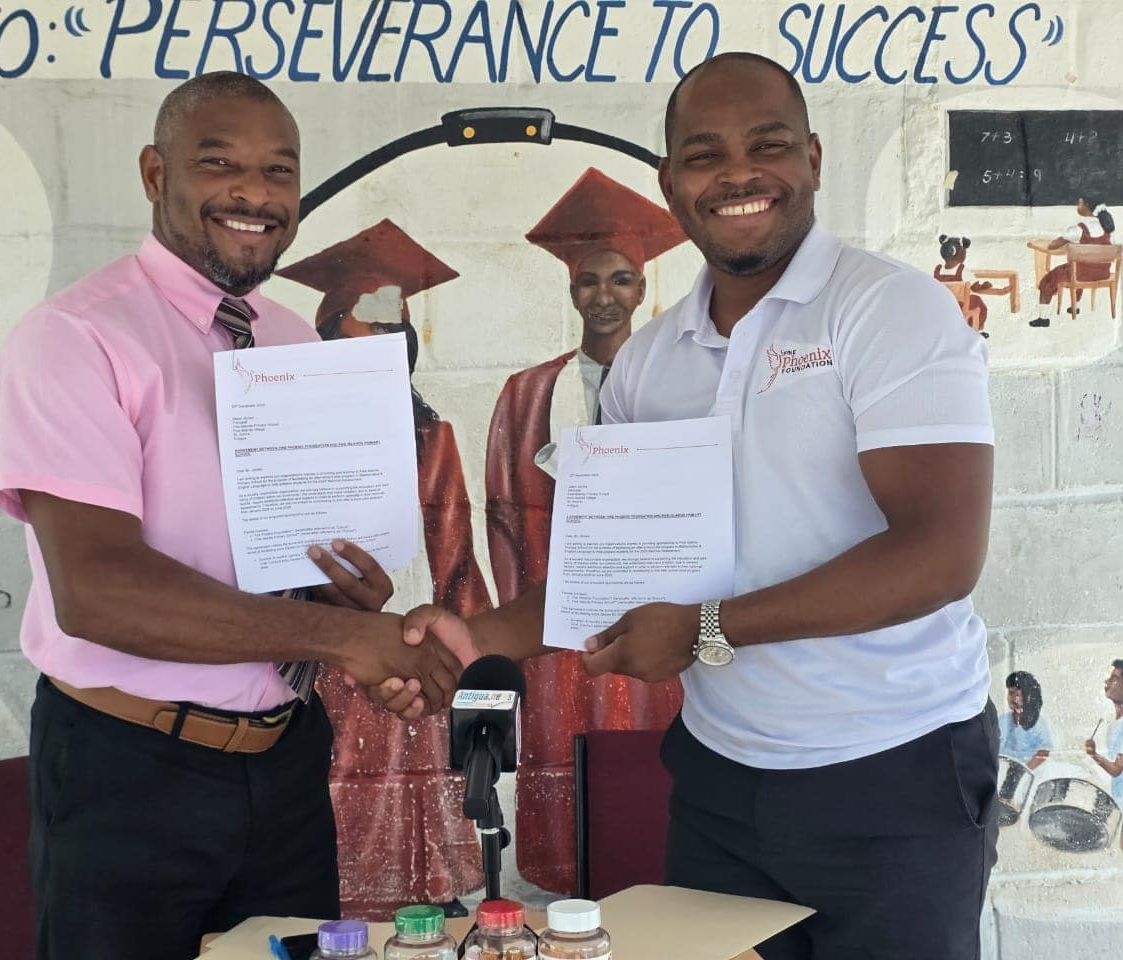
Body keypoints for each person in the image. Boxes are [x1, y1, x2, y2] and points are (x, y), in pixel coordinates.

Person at [379, 52, 999, 960]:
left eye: (767, 145)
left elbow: (940, 555)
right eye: (705, 154)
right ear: (671, 183)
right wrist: (474, 638)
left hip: (892, 772)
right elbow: (614, 574)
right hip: (721, 782)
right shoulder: (649, 363)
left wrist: (708, 627)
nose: (738, 174)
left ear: (813, 159)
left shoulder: (888, 311)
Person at [0, 72, 466, 960]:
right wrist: (346, 641)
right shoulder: (75, 338)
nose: (255, 194)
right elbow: (97, 592)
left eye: (279, 171)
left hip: (285, 763)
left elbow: (294, 574)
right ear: (155, 173)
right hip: (128, 769)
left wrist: (351, 610)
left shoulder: (290, 339)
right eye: (220, 164)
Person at [483, 166, 688, 892]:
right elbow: (504, 514)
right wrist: (536, 619)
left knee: (651, 784)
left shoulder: (679, 384)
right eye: (589, 281)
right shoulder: (528, 392)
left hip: (655, 619)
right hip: (558, 630)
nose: (605, 295)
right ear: (571, 291)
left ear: (643, 288)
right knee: (566, 763)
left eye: (621, 280)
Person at [276, 218, 489, 917]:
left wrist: (471, 666)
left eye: (390, 338)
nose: (373, 357)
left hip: (409, 650)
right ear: (327, 341)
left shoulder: (432, 438)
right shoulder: (286, 437)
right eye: (356, 341)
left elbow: (456, 561)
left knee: (410, 788)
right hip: (314, 661)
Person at [1029, 198, 1114, 327]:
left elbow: (1053, 245)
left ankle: (1043, 319)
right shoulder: (1106, 228)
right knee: (1078, 268)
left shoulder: (1078, 229)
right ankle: (1075, 307)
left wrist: (1066, 241)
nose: (1077, 205)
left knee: (1048, 280)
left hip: (1081, 274)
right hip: (1102, 273)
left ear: (1086, 206)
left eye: (1080, 203)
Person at [933, 235, 991, 337]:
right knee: (979, 304)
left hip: (944, 304)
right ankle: (974, 329)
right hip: (961, 306)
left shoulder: (938, 270)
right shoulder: (962, 270)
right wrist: (984, 286)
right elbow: (975, 287)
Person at [1085, 659, 1123, 805]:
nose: (1107, 681)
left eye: (1114, 678)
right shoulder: (1115, 723)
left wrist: (1094, 754)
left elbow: (1116, 770)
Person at [998, 671, 1051, 769]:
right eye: (1010, 693)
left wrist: (1022, 771)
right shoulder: (1002, 721)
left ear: (1027, 696)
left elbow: (1044, 752)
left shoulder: (1038, 723)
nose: (1013, 698)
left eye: (1018, 694)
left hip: (1029, 773)